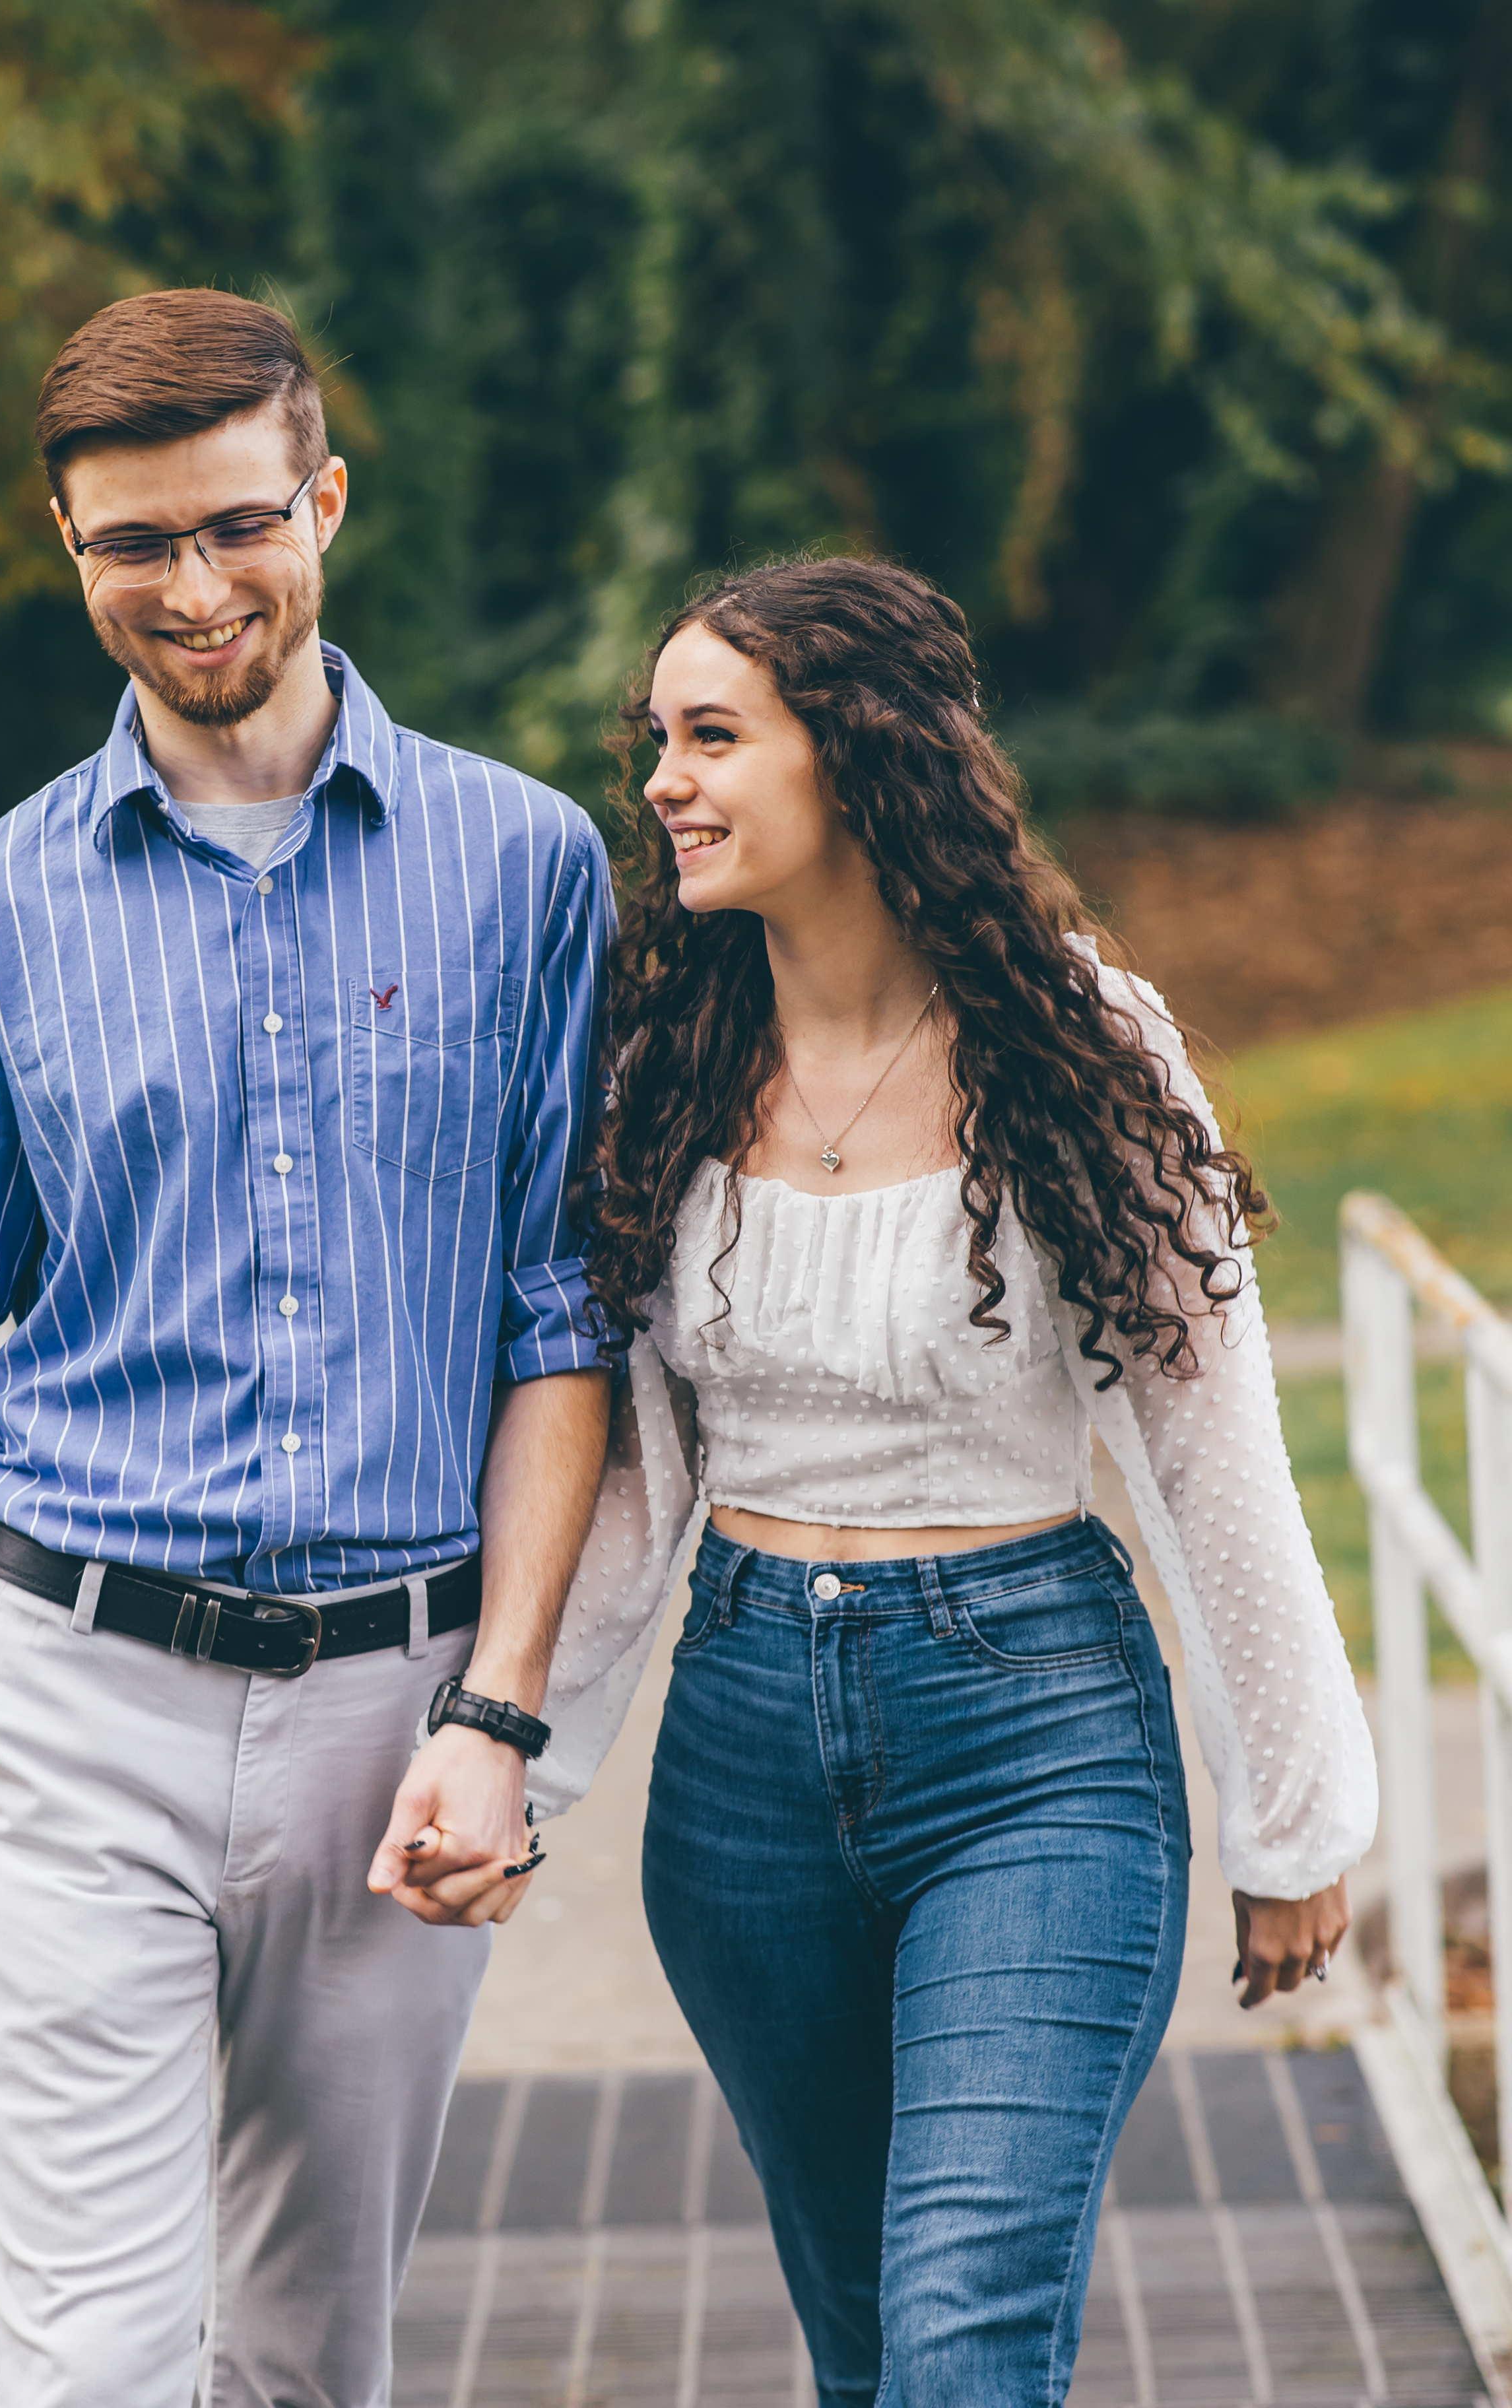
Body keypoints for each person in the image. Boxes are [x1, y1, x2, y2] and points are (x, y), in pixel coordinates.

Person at [0, 288, 614, 2408]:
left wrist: (501, 1717)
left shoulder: (525, 865)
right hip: (70, 1707)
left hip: (392, 1719)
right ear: (64, 544)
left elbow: (558, 1323)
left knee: (306, 2360)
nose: (190, 592)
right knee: (86, 2367)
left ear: (327, 504)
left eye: (235, 528)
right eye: (129, 548)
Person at [527, 554, 1377, 2407]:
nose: (663, 780)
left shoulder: (1081, 1044)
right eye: (655, 741)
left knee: (963, 2332)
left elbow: (1204, 1443)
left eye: (713, 736)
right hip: (743, 1755)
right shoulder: (665, 1056)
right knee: (864, 2347)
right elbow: (636, 1468)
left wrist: (1291, 1811)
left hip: (1037, 1737)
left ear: (857, 756)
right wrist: (513, 1743)